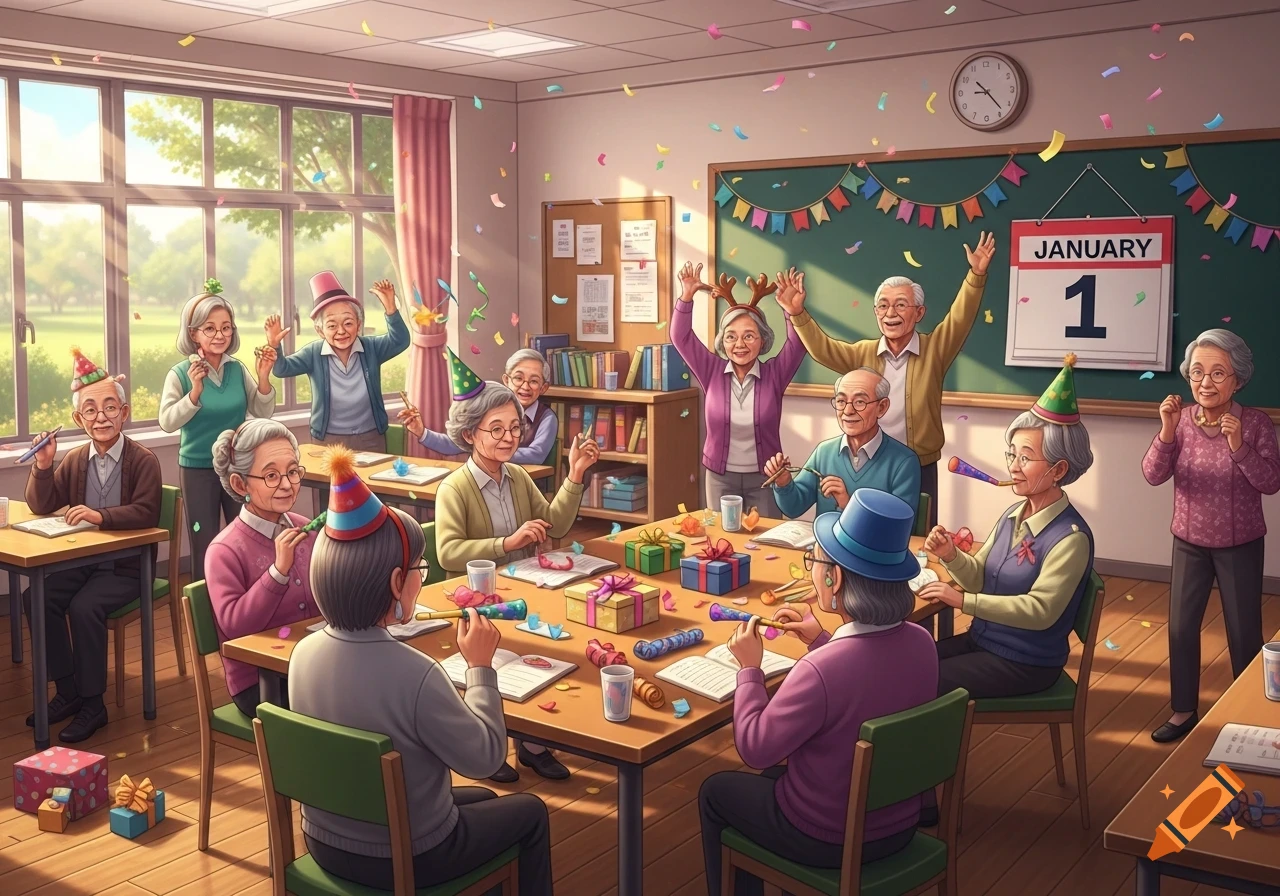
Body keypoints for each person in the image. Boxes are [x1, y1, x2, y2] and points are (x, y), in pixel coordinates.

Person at [289, 448, 553, 895]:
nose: (421, 578)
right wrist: (480, 669)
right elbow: (486, 758)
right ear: (396, 582)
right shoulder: (417, 673)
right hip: (408, 852)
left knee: (484, 802)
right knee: (529, 813)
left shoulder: (303, 654)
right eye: (418, 570)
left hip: (326, 840)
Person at [698, 489, 938, 896]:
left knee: (716, 792)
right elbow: (868, 681)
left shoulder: (821, 670)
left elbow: (756, 748)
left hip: (828, 835)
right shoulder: (921, 642)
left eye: (817, 560)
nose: (814, 568)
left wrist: (751, 670)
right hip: (899, 824)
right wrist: (822, 640)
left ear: (836, 578)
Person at [434, 348, 599, 782]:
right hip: (479, 608)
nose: (509, 438)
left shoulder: (519, 477)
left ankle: (533, 744)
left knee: (540, 660)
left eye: (514, 428)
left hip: (525, 596)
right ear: (470, 434)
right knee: (498, 667)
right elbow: (448, 552)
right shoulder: (455, 487)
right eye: (496, 430)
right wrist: (507, 542)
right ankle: (491, 749)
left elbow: (556, 524)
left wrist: (575, 474)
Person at [774, 234, 996, 528]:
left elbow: (960, 318)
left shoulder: (934, 349)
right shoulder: (863, 353)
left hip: (918, 463)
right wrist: (797, 313)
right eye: (882, 306)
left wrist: (976, 275)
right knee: (862, 525)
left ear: (919, 313)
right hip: (871, 461)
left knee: (913, 534)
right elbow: (823, 349)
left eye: (901, 305)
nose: (890, 313)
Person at [920, 355, 1095, 701]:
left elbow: (1040, 611)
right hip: (984, 641)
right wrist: (951, 556)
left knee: (920, 679)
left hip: (1026, 661)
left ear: (1059, 470)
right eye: (1011, 455)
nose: (1014, 467)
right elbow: (981, 577)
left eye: (1025, 458)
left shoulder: (1071, 539)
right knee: (902, 662)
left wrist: (963, 601)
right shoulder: (1014, 514)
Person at [1143, 330, 1279, 743]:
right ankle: (1184, 710)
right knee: (1182, 629)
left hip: (1240, 545)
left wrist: (1238, 445)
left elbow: (1271, 482)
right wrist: (1166, 431)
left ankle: (1249, 711)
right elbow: (1152, 474)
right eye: (1197, 372)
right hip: (1189, 541)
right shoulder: (1180, 419)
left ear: (1238, 379)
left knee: (1243, 632)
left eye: (1218, 373)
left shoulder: (1255, 424)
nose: (1205, 382)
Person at [23, 348, 162, 742]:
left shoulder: (143, 459)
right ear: (77, 419)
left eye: (109, 407)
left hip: (127, 567)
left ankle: (93, 704)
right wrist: (44, 465)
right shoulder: (76, 458)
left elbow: (147, 512)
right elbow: (42, 503)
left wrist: (101, 516)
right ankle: (67, 689)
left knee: (84, 608)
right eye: (90, 410)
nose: (100, 417)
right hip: (84, 563)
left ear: (125, 411)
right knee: (37, 595)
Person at [159, 279, 277, 583]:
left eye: (226, 327)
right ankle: (208, 609)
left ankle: (247, 599)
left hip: (237, 467)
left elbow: (262, 411)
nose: (220, 335)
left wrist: (263, 378)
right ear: (193, 333)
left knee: (244, 536)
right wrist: (194, 393)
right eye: (210, 328)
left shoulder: (237, 369)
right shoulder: (180, 374)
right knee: (205, 541)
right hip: (198, 469)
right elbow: (168, 422)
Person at [672, 262, 806, 519]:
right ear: (723, 341)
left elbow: (798, 344)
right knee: (724, 542)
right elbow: (681, 337)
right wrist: (686, 296)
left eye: (749, 336)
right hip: (720, 477)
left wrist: (793, 311)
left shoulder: (774, 374)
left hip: (766, 478)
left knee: (765, 541)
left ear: (763, 340)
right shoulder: (710, 370)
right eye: (731, 336)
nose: (739, 344)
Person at [205, 419, 318, 719]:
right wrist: (278, 572)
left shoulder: (307, 528)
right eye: (271, 475)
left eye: (292, 472)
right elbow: (235, 626)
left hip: (313, 662)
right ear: (240, 484)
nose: (286, 484)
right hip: (260, 681)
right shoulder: (223, 550)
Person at [265, 272, 410, 456]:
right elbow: (281, 369)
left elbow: (401, 341)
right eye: (332, 326)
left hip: (371, 437)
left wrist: (391, 308)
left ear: (359, 324)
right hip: (328, 441)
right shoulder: (313, 353)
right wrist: (274, 345)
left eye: (348, 323)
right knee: (330, 485)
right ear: (320, 330)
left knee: (370, 483)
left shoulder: (371, 348)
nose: (341, 331)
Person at [764, 367, 920, 519]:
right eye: (841, 401)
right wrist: (784, 483)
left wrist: (847, 504)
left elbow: (900, 527)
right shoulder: (824, 452)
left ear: (882, 407)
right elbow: (794, 508)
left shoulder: (904, 462)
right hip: (825, 544)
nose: (848, 411)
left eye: (859, 402)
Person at [399, 348, 558, 466]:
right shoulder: (488, 410)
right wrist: (421, 432)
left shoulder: (546, 418)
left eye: (534, 381)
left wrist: (487, 448)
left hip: (526, 486)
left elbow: (536, 455)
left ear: (543, 388)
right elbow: (455, 443)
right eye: (518, 378)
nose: (525, 386)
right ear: (506, 380)